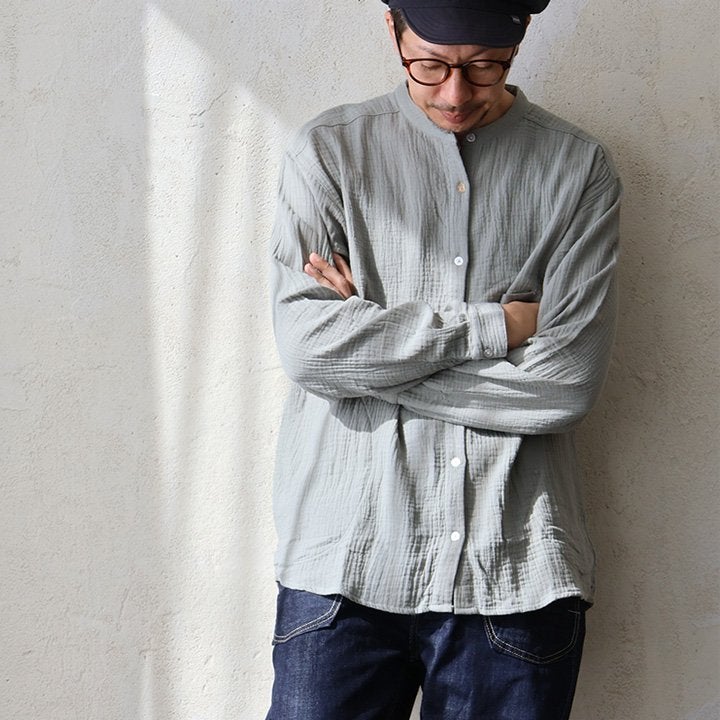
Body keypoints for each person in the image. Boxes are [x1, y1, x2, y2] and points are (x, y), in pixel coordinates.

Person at [266, 0, 621, 717]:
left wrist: (367, 356)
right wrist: (497, 326)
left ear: (520, 40)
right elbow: (308, 350)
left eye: (485, 67)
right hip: (345, 567)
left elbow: (564, 387)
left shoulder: (577, 168)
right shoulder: (328, 154)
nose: (456, 93)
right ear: (392, 29)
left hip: (513, 573)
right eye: (429, 65)